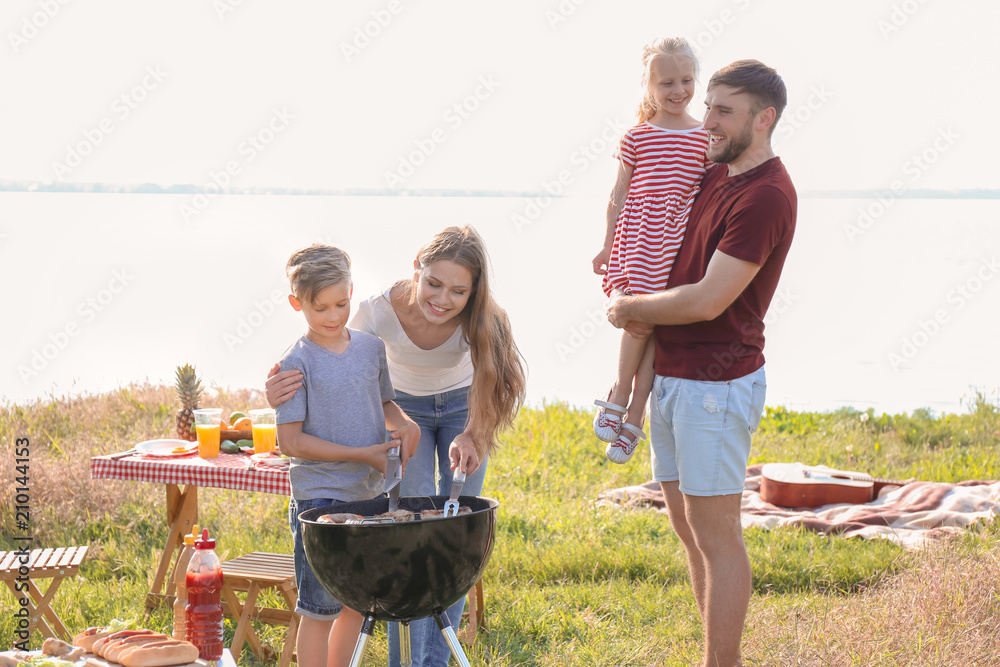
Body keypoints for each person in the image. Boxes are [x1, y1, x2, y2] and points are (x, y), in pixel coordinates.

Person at [606, 59, 796, 667]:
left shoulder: (767, 195)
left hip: (718, 382)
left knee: (717, 536)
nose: (706, 120)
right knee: (689, 529)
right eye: (707, 104)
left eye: (722, 110)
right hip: (673, 374)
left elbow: (711, 298)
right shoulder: (716, 170)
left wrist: (631, 307)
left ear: (763, 120)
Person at [267, 225, 527, 667]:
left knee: (455, 527)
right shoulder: (371, 316)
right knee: (407, 534)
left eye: (458, 290)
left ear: (474, 290)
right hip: (383, 434)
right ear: (416, 271)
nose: (443, 298)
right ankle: (402, 663)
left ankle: (433, 660)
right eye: (434, 283)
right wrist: (276, 392)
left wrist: (472, 434)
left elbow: (494, 386)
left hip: (464, 406)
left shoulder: (481, 316)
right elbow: (324, 378)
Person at [276, 243, 420, 667]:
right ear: (296, 303)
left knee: (358, 605)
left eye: (341, 303)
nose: (333, 316)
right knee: (319, 608)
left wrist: (405, 424)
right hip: (319, 499)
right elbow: (291, 443)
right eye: (320, 308)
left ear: (353, 290)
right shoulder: (294, 364)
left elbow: (384, 404)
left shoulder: (371, 349)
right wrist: (363, 454)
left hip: (368, 493)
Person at [592, 37, 709, 465]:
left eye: (686, 80)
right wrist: (606, 247)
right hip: (640, 243)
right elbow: (617, 196)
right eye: (666, 83)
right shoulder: (637, 136)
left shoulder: (705, 139)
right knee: (637, 323)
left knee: (660, 328)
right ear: (649, 86)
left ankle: (634, 413)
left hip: (679, 248)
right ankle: (620, 394)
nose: (678, 90)